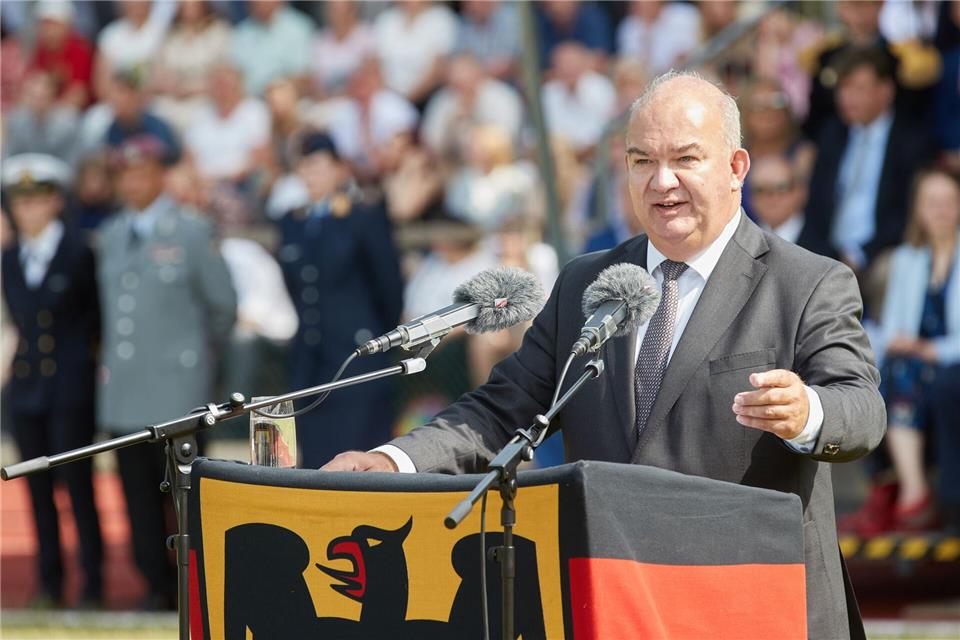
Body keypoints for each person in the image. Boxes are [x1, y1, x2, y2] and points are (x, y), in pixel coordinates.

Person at [322, 71, 887, 639]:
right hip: (616, 604)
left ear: (737, 168)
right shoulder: (586, 284)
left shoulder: (808, 283)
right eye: (642, 161)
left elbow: (860, 408)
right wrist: (395, 460)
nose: (661, 181)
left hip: (753, 605)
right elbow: (501, 411)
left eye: (685, 159)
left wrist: (807, 411)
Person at [96, 134, 236, 610]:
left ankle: (198, 589)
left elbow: (223, 306)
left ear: (160, 175)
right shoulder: (112, 235)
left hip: (179, 389)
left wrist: (196, 360)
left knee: (187, 496)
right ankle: (154, 586)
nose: (133, 180)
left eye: (142, 170)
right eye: (124, 172)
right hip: (127, 387)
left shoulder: (191, 231)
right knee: (136, 495)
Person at [1, 154, 103, 609]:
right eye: (19, 202)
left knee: (78, 488)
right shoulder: (10, 258)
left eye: (36, 199)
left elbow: (94, 319)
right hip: (27, 388)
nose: (27, 210)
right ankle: (50, 582)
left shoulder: (78, 252)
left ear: (55, 202)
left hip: (69, 385)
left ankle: (94, 583)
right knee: (38, 492)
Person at [275, 131, 403, 469]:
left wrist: (375, 340)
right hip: (311, 361)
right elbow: (297, 288)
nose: (308, 174)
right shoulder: (293, 222)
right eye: (302, 167)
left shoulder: (362, 216)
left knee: (360, 462)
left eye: (316, 165)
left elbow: (389, 287)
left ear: (337, 168)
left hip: (357, 358)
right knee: (319, 464)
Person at [847, 168, 960, 534]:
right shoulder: (906, 261)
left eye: (949, 201)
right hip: (911, 370)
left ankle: (906, 492)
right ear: (918, 209)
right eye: (932, 202)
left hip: (949, 364)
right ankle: (911, 491)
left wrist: (930, 349)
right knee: (884, 375)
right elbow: (893, 329)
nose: (941, 210)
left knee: (914, 377)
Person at [798, 46, 935, 274]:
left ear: (886, 90)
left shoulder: (912, 141)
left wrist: (859, 255)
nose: (847, 98)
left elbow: (907, 214)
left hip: (882, 253)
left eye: (859, 88)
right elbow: (816, 206)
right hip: (829, 254)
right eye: (843, 88)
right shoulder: (832, 133)